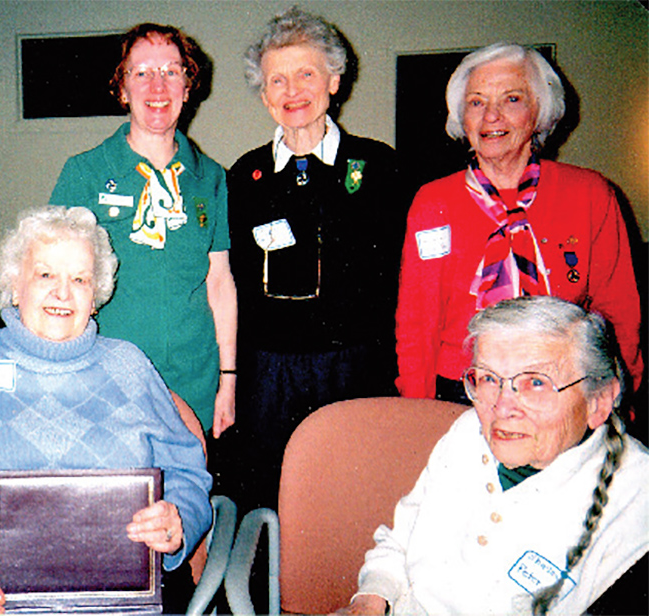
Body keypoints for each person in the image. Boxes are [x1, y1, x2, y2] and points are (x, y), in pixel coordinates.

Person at [0, 206, 212, 614]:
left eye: (79, 279)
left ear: (96, 295)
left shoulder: (129, 367)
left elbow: (188, 473)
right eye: (45, 275)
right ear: (14, 285)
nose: (63, 294)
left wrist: (178, 519)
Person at [336, 295, 648, 615]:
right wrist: (372, 596)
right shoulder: (468, 432)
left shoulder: (636, 499)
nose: (501, 408)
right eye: (488, 378)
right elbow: (399, 542)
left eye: (535, 383)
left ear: (598, 401)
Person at [395, 42, 643, 405]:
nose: (491, 116)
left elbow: (619, 314)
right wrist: (418, 412)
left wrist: (617, 401)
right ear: (461, 117)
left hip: (562, 388)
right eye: (476, 102)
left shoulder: (591, 194)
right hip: (464, 390)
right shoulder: (434, 202)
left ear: (539, 111)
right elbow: (417, 325)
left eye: (511, 99)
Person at [226, 6, 403, 511]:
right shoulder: (244, 176)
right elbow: (235, 282)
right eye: (276, 80)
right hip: (270, 375)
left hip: (354, 368)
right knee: (271, 498)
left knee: (354, 498)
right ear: (264, 96)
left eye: (306, 73)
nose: (292, 91)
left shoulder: (378, 166)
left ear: (334, 81)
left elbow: (399, 279)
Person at [50, 23, 237, 438]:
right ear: (122, 88)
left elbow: (220, 283)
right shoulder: (84, 173)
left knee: (183, 496)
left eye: (172, 71)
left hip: (194, 380)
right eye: (142, 73)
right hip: (105, 377)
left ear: (188, 88)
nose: (158, 85)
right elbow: (52, 281)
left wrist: (228, 380)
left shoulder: (211, 179)